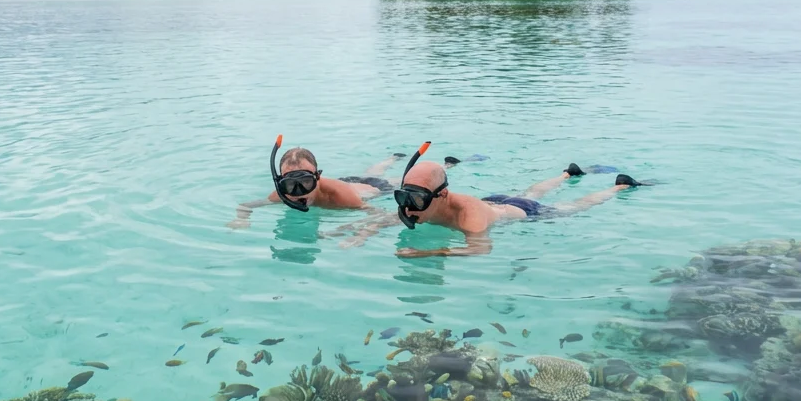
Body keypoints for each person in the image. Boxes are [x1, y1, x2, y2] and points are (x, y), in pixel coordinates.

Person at [337, 143, 645, 257]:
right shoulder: (421, 204)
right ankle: (567, 175)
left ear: (441, 194)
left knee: (573, 208)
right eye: (402, 197)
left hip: (526, 214)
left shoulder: (469, 215)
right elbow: (387, 218)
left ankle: (618, 187)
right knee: (531, 188)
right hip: (495, 200)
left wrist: (427, 253)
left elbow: (480, 249)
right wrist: (361, 234)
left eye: (414, 199)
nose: (406, 207)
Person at [227, 136, 405, 228]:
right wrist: (241, 220)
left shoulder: (339, 197)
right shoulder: (283, 194)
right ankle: (387, 161)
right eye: (290, 185)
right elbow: (246, 206)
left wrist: (359, 232)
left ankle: (389, 161)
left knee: (389, 179)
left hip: (374, 188)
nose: (299, 192)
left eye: (305, 183)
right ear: (281, 183)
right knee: (369, 172)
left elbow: (384, 215)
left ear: (317, 178)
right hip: (345, 182)